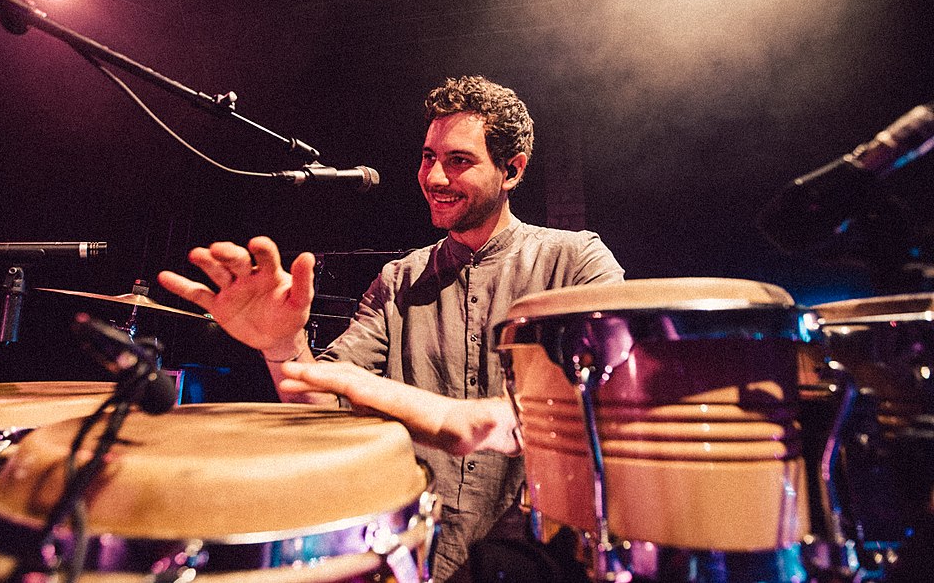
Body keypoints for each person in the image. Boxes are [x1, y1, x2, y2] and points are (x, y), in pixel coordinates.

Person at [159, 75, 624, 582]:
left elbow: (605, 410)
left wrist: (461, 420)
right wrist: (281, 346)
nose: (435, 177)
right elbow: (323, 409)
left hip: (543, 564)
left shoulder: (577, 261)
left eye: (459, 160)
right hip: (412, 557)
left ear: (511, 171)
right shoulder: (397, 281)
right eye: (428, 157)